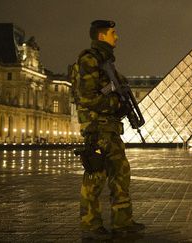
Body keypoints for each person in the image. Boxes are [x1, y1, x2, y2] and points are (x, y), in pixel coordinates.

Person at [73, 20, 145, 239]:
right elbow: (86, 97)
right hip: (97, 128)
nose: (117, 36)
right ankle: (90, 224)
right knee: (95, 176)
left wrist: (121, 106)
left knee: (120, 174)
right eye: (114, 33)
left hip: (111, 128)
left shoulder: (106, 62)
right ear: (102, 36)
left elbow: (112, 91)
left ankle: (123, 222)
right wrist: (116, 104)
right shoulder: (90, 59)